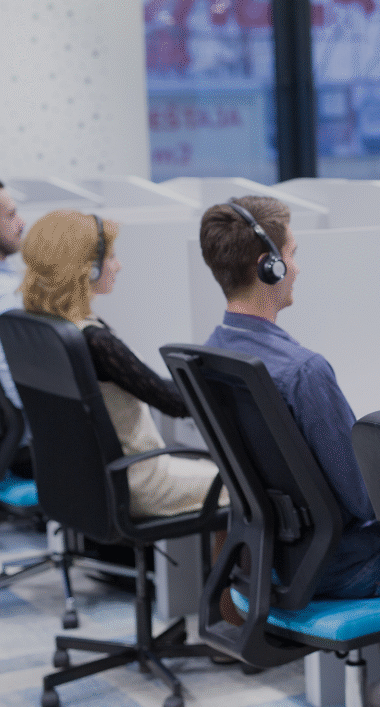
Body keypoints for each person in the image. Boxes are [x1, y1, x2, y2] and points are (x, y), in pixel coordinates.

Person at [199, 196, 380, 707]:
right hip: (341, 568)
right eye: (293, 253)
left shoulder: (212, 353)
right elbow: (361, 498)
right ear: (269, 266)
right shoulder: (303, 372)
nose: (297, 267)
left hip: (267, 560)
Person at [20, 210, 227, 519]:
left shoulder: (43, 328)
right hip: (139, 482)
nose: (119, 265)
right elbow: (174, 403)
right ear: (87, 269)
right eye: (112, 256)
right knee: (244, 486)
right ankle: (228, 569)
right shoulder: (95, 341)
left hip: (83, 480)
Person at [0, 181, 33, 482]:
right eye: (11, 215)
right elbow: (13, 377)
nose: (21, 223)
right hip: (26, 446)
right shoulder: (6, 296)